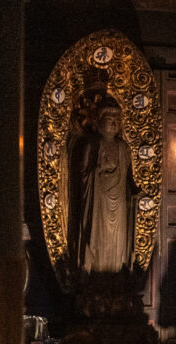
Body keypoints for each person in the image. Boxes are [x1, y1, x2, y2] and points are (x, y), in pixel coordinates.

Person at [68, 97, 137, 274]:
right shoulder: (92, 144)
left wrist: (135, 190)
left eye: (117, 120)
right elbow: (83, 174)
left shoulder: (123, 147)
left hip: (118, 201)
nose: (114, 123)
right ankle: (95, 271)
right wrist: (99, 170)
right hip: (98, 200)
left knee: (117, 238)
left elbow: (128, 176)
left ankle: (115, 271)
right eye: (109, 119)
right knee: (98, 236)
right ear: (98, 122)